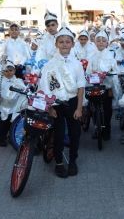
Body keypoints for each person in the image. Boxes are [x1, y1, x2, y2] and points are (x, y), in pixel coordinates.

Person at [38, 27, 85, 178]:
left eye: (68, 41)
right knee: (58, 134)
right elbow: (45, 87)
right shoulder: (49, 65)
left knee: (74, 133)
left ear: (72, 44)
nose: (64, 44)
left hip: (72, 103)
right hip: (56, 104)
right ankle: (58, 162)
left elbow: (80, 86)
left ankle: (72, 161)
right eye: (61, 41)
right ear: (56, 44)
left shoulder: (76, 64)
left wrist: (79, 108)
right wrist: (50, 107)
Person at [85, 30, 121, 140]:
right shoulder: (91, 56)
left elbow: (115, 71)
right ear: (95, 42)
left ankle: (106, 130)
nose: (101, 43)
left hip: (106, 87)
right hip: (94, 86)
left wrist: (109, 76)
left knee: (107, 110)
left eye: (103, 40)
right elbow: (88, 71)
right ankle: (97, 127)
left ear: (107, 43)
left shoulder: (110, 56)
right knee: (93, 109)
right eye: (98, 40)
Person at [0, 60, 26, 147]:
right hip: (4, 106)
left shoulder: (18, 81)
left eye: (11, 70)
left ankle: (11, 136)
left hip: (14, 107)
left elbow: (23, 90)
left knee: (12, 123)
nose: (8, 73)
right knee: (3, 123)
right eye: (6, 71)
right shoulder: (1, 81)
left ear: (14, 71)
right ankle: (1, 138)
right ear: (3, 71)